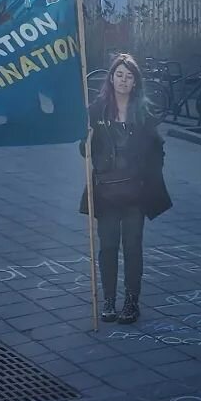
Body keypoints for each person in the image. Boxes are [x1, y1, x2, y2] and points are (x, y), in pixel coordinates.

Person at [80, 54, 171, 324]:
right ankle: (108, 300)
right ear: (111, 78)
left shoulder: (143, 113)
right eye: (119, 74)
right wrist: (86, 141)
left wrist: (148, 176)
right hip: (106, 190)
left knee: (132, 247)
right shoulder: (96, 111)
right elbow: (84, 150)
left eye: (129, 76)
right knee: (108, 246)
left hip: (135, 191)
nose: (123, 80)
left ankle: (131, 301)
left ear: (135, 82)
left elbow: (157, 150)